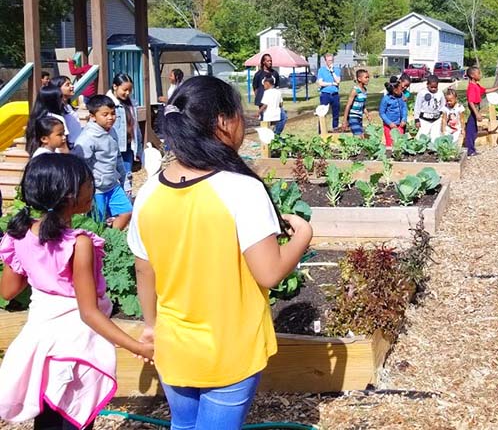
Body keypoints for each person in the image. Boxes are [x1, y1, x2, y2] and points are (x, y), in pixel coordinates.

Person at [127, 76, 312, 429]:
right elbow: (269, 273)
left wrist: (151, 327)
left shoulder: (149, 192)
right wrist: (302, 235)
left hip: (174, 345)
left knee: (183, 425)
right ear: (224, 123)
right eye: (240, 114)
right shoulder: (242, 189)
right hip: (230, 348)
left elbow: (143, 269)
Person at [0, 154, 153, 430]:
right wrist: (138, 347)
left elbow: (8, 290)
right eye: (87, 184)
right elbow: (89, 313)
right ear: (69, 195)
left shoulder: (19, 235)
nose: (92, 189)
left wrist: (36, 265)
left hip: (41, 345)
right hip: (76, 347)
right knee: (75, 416)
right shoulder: (78, 244)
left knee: (47, 419)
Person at [72, 95, 132, 230]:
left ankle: (110, 239)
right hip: (96, 190)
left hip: (112, 185)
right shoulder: (87, 138)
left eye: (113, 113)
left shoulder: (112, 131)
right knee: (97, 223)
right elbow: (78, 165)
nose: (110, 117)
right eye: (105, 114)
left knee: (127, 211)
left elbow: (117, 158)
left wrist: (125, 180)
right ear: (93, 116)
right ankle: (100, 244)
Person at [107, 73, 142, 176]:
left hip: (128, 147)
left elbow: (136, 127)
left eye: (130, 90)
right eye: (124, 90)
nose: (127, 93)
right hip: (114, 148)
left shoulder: (131, 104)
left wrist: (138, 148)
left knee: (127, 176)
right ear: (115, 87)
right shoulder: (108, 104)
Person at [465, 66, 498, 157]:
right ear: (472, 75)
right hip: (473, 111)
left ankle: (472, 149)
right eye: (478, 73)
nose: (480, 75)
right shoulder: (471, 87)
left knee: (474, 130)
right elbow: (470, 102)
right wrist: (477, 113)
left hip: (475, 110)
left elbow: (486, 91)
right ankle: (470, 150)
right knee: (471, 130)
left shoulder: (476, 86)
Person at [24, 84, 70, 155]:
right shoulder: (57, 120)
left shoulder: (34, 118)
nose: (63, 99)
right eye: (60, 97)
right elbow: (63, 146)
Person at [252, 54, 287, 133]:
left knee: (283, 117)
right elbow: (255, 87)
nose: (270, 62)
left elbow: (277, 86)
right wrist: (259, 99)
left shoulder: (275, 73)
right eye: (268, 61)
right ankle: (266, 139)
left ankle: (275, 135)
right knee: (265, 121)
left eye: (271, 61)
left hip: (274, 101)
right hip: (263, 101)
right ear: (263, 62)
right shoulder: (258, 74)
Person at [51, 75, 84, 146]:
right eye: (67, 85)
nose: (72, 86)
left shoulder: (68, 106)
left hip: (77, 143)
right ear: (58, 88)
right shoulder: (56, 109)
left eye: (71, 84)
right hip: (68, 145)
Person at [414, 75, 445, 142]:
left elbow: (443, 105)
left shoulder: (440, 93)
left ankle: (434, 151)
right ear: (427, 85)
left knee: (435, 137)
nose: (433, 89)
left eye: (435, 87)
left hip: (436, 120)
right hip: (424, 120)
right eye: (431, 87)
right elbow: (417, 106)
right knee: (421, 137)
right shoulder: (422, 93)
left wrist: (441, 114)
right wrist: (416, 119)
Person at [379, 76, 407, 147]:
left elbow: (404, 108)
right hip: (389, 126)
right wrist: (389, 123)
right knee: (390, 144)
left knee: (400, 143)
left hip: (399, 125)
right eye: (401, 88)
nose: (402, 90)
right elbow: (382, 113)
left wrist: (404, 119)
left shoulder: (401, 97)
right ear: (395, 90)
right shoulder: (386, 99)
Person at [343, 69, 370, 136]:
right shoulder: (355, 90)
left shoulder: (365, 90)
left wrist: (367, 114)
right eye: (366, 77)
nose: (368, 79)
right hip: (353, 117)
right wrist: (344, 121)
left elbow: (362, 104)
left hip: (359, 117)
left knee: (360, 136)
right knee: (359, 135)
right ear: (359, 79)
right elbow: (348, 106)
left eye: (368, 77)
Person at [317, 54, 342, 129]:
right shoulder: (321, 70)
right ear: (325, 61)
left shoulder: (337, 70)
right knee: (322, 113)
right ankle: (321, 131)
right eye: (329, 60)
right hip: (325, 94)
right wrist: (331, 83)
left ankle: (335, 128)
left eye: (332, 60)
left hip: (335, 94)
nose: (330, 62)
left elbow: (338, 81)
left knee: (336, 113)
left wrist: (332, 72)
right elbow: (320, 83)